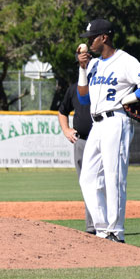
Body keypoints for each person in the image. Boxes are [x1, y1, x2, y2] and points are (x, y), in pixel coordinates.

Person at [76, 18, 140, 243]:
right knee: (87, 178)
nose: (89, 42)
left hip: (116, 121)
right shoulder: (93, 64)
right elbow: (83, 97)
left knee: (114, 177)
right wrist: (82, 68)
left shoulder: (125, 61)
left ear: (104, 37)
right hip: (97, 124)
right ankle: (102, 229)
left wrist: (128, 99)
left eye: (92, 38)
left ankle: (116, 231)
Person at [57, 44, 95, 234]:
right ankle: (91, 227)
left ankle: (103, 224)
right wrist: (66, 129)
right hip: (81, 141)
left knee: (102, 182)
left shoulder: (100, 87)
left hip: (99, 140)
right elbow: (62, 111)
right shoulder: (74, 90)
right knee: (86, 184)